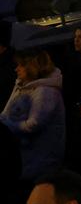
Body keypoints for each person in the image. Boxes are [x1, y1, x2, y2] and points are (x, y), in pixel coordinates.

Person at [1, 49, 65, 181]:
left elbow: (33, 124)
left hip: (38, 162)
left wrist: (7, 126)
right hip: (22, 157)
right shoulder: (21, 85)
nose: (16, 69)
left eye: (21, 65)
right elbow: (5, 113)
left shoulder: (46, 92)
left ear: (31, 66)